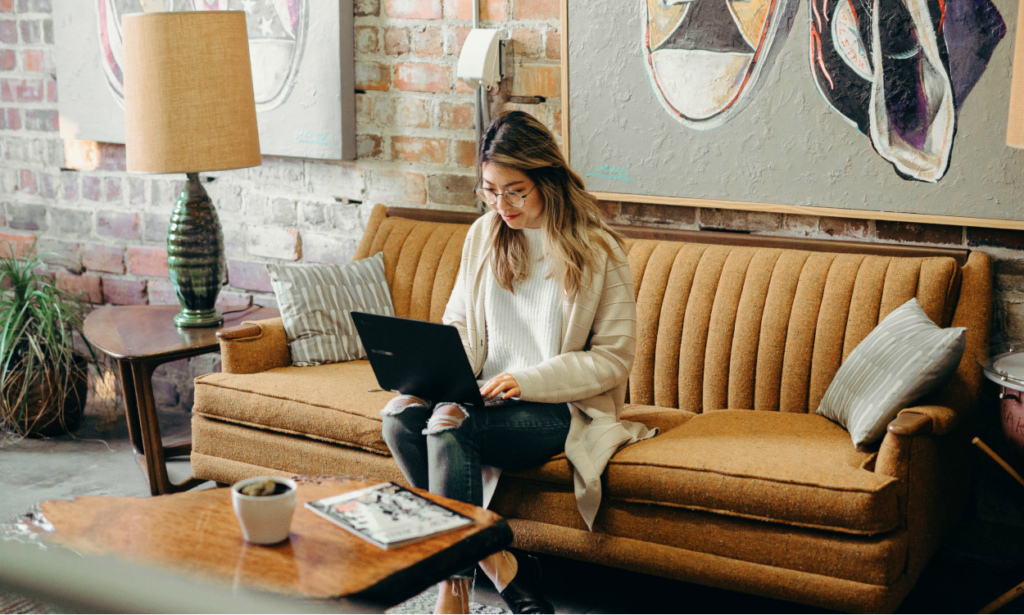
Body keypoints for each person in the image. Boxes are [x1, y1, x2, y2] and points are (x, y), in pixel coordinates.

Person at [380, 111, 654, 615]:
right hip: (482, 394)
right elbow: (459, 324)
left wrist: (524, 380)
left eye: (515, 191)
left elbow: (613, 359)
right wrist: (443, 370)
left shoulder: (598, 250)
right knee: (399, 416)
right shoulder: (484, 235)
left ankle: (452, 592)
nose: (501, 205)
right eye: (490, 190)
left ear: (546, 180)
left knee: (448, 424)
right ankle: (500, 563)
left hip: (556, 407)